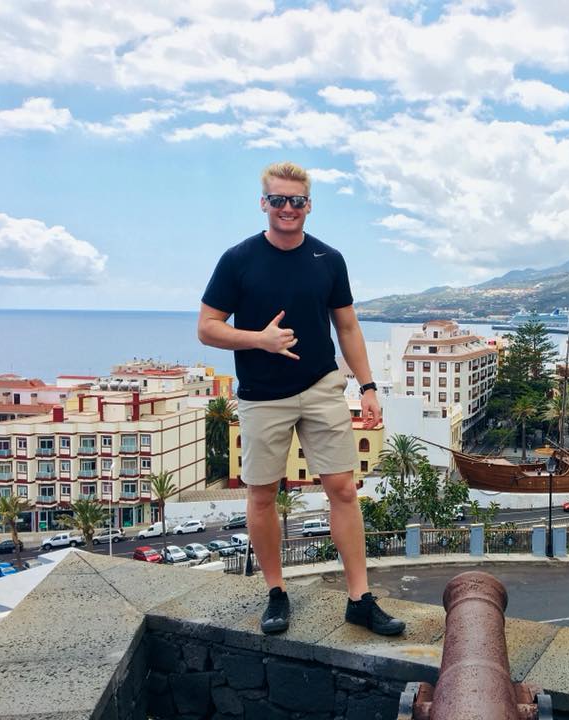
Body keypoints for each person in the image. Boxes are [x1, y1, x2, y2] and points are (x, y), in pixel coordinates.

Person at [198, 161, 405, 637]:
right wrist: (259, 340)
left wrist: (368, 386)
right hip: (262, 396)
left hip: (321, 387)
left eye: (296, 201)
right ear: (263, 203)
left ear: (308, 205)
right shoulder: (238, 260)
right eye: (278, 200)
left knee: (344, 489)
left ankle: (360, 598)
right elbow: (207, 327)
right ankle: (276, 592)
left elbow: (347, 326)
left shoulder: (328, 260)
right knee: (263, 494)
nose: (287, 208)